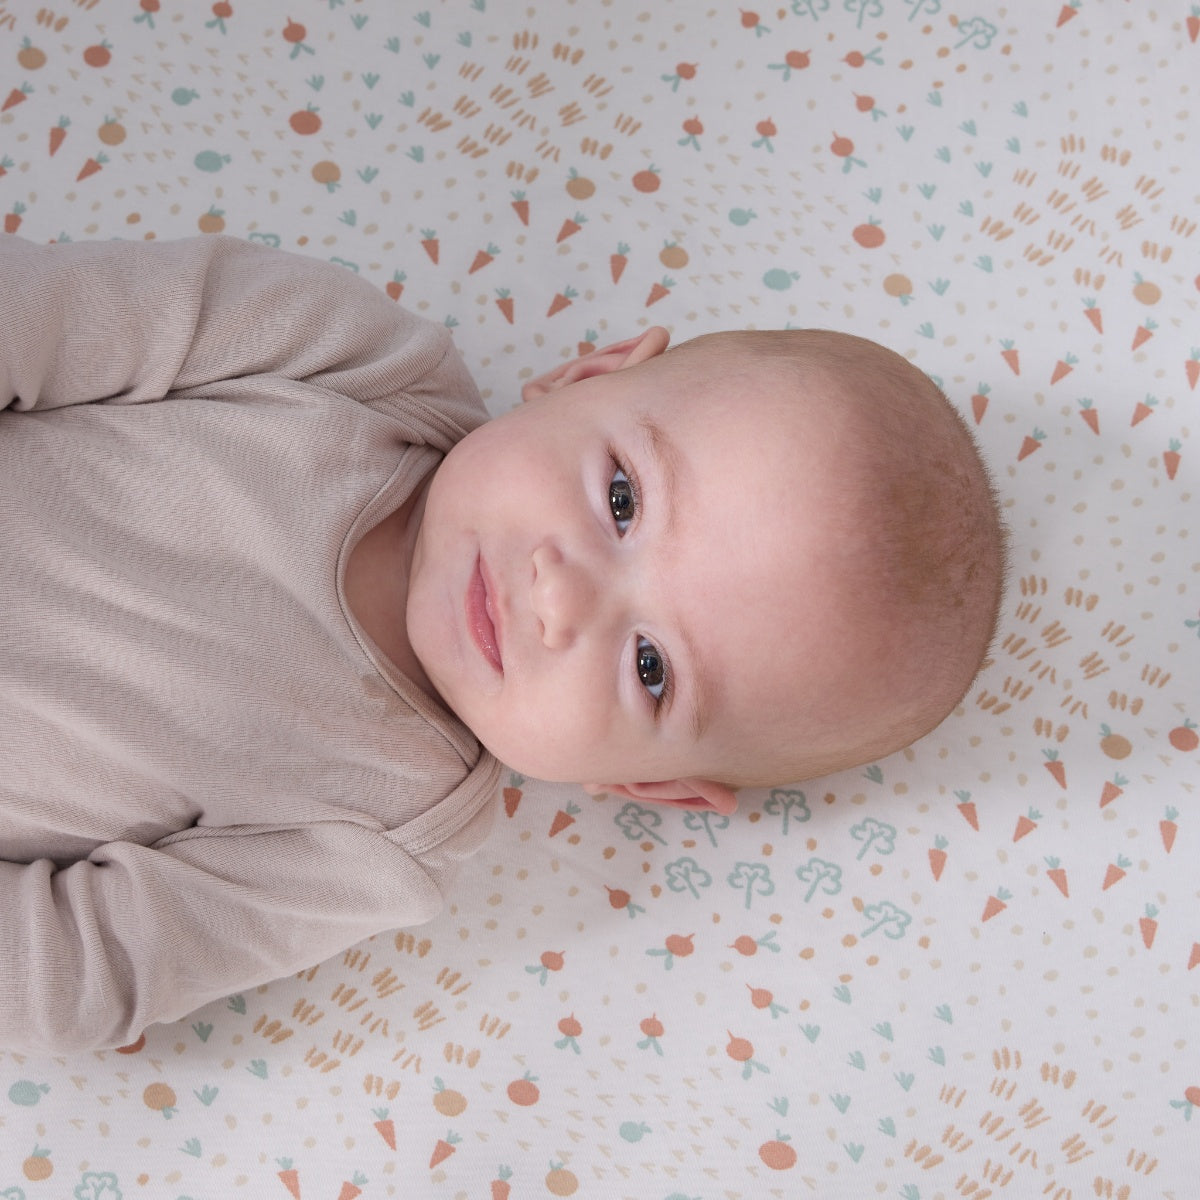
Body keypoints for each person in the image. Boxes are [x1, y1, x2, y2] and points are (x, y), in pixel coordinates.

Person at [0, 235, 1004, 1053]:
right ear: (590, 374)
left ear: (646, 784)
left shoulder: (389, 832)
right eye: (622, 499)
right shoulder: (341, 358)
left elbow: (82, 971)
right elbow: (43, 317)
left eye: (650, 667)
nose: (560, 597)